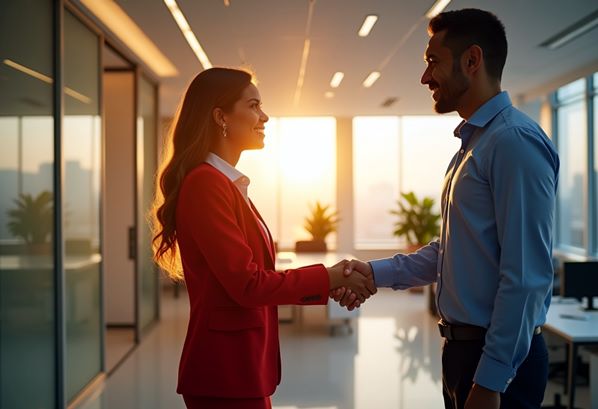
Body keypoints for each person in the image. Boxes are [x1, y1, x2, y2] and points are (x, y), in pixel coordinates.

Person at [335, 8, 559, 409]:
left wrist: (490, 382)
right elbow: (453, 251)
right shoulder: (476, 145)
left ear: (472, 60)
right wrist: (373, 272)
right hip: (462, 354)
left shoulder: (513, 142)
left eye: (433, 63)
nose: (425, 78)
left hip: (496, 363)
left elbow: (525, 277)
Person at [151, 67, 375, 409]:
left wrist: (329, 282)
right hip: (225, 371)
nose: (264, 116)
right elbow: (247, 284)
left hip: (240, 367)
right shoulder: (206, 184)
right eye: (254, 105)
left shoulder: (226, 184)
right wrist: (327, 276)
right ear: (220, 116)